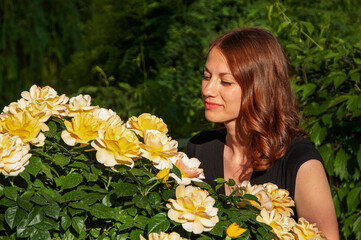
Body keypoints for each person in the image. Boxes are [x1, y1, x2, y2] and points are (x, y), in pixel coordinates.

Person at [186, 27, 339, 239]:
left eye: (225, 81)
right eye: (206, 76)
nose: (207, 90)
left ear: (260, 87)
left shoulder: (301, 165)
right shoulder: (198, 150)